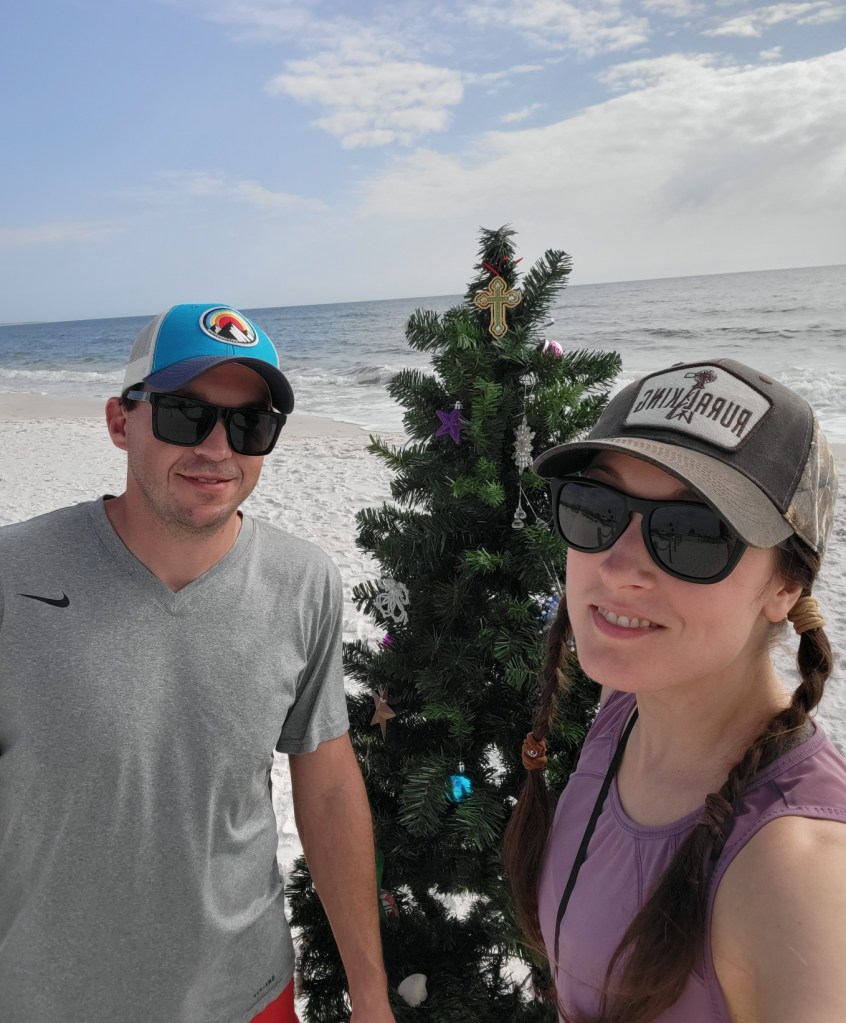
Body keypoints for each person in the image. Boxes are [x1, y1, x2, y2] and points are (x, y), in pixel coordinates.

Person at [0, 304, 396, 1023]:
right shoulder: (13, 572)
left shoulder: (304, 582)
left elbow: (330, 784)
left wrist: (370, 995)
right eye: (186, 414)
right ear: (122, 421)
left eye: (250, 424)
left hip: (247, 996)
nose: (219, 448)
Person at [504, 358, 846, 1022]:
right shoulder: (625, 709)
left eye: (694, 533)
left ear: (785, 585)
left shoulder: (796, 873)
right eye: (596, 507)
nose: (621, 566)